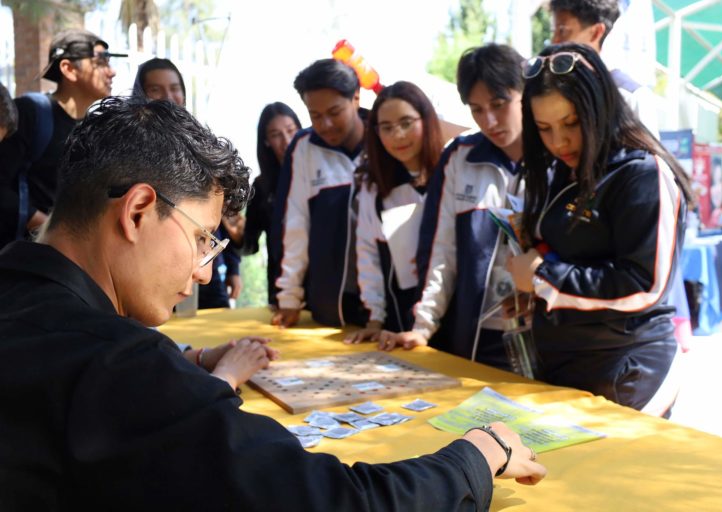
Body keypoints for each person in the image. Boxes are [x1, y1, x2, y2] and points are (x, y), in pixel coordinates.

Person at [0, 96, 546, 509]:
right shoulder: (120, 366)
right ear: (138, 210)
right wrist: (476, 456)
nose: (204, 270)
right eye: (202, 238)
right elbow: (335, 502)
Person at [506, 43, 692, 413]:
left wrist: (544, 279)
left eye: (571, 123)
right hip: (562, 367)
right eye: (544, 128)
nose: (559, 141)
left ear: (600, 108)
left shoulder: (642, 174)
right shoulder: (560, 173)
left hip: (627, 374)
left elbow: (644, 286)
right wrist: (535, 291)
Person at [377, 44, 526, 371]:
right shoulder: (460, 157)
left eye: (499, 104)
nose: (489, 121)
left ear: (524, 93)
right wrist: (423, 327)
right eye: (476, 109)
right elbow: (441, 251)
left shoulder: (559, 154)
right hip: (478, 335)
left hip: (546, 336)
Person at [132, 57, 242, 308]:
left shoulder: (200, 144)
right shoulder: (132, 148)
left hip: (204, 263)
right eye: (156, 89)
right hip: (156, 268)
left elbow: (222, 216)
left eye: (174, 88)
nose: (168, 97)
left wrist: (233, 266)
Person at [0, 29, 125, 249]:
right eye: (101, 62)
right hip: (21, 256)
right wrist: (50, 229)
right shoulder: (31, 113)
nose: (111, 71)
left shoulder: (97, 129)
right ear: (68, 69)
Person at [271, 59, 369, 328]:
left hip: (386, 301)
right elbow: (295, 224)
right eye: (315, 115)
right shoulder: (304, 148)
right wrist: (289, 296)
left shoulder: (384, 138)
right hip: (330, 301)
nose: (325, 125)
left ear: (356, 98)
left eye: (335, 112)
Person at [344, 81, 443, 343]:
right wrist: (375, 319)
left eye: (406, 123)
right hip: (400, 319)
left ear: (426, 119)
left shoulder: (451, 173)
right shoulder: (374, 187)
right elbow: (368, 256)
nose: (398, 135)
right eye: (386, 128)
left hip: (455, 313)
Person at [549, 0, 659, 137]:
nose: (554, 41)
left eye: (562, 31)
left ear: (596, 32)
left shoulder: (631, 96)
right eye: (553, 31)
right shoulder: (549, 88)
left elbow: (651, 150)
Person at [231, 102, 301, 307]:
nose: (286, 140)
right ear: (266, 141)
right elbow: (250, 246)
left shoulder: (319, 174)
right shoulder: (262, 186)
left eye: (291, 130)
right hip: (281, 288)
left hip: (324, 283)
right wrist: (237, 235)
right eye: (276, 135)